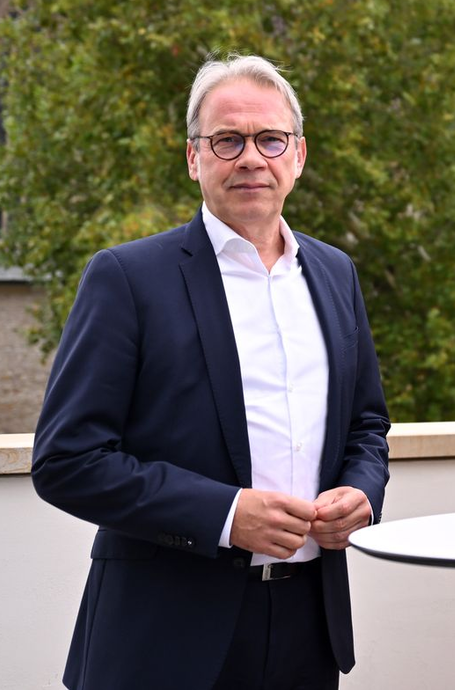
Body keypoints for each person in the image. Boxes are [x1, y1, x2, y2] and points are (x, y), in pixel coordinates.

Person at [33, 54, 391, 690]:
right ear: (194, 158)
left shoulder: (336, 274)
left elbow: (366, 423)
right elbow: (67, 460)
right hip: (163, 637)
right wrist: (225, 514)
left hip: (309, 627)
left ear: (298, 155)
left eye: (269, 138)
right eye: (227, 140)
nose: (251, 157)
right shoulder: (127, 278)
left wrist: (362, 493)